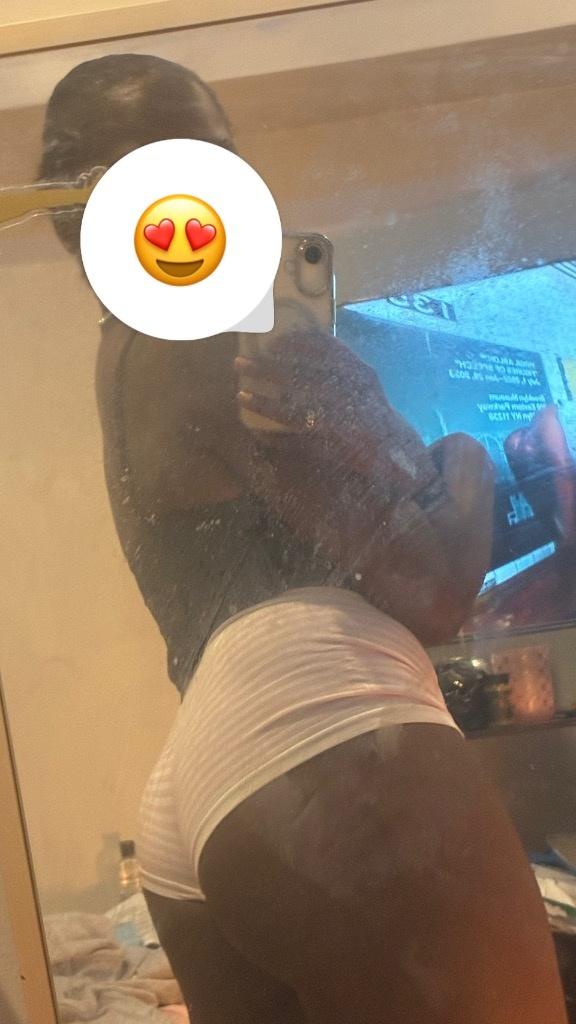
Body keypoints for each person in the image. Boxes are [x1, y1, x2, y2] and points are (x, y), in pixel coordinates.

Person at [40, 54, 567, 1023]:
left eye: (224, 157)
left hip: (207, 762)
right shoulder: (220, 324)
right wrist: (464, 460)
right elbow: (433, 588)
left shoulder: (123, 352)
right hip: (321, 717)